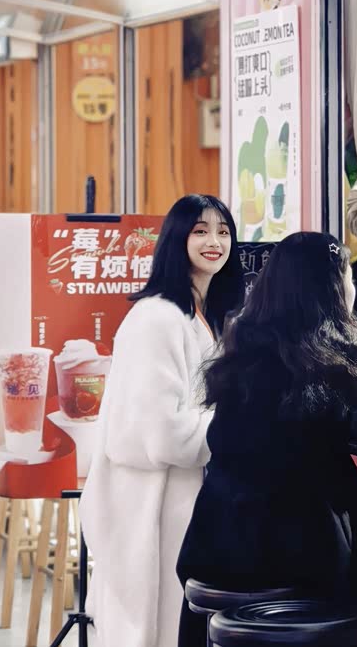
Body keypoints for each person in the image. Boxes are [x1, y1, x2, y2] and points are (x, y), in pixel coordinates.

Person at [177, 231, 357, 647]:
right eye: (348, 278)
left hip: (216, 548)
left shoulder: (240, 355)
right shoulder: (336, 364)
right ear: (335, 290)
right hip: (300, 559)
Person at [79, 194, 245, 647]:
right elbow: (163, 434)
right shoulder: (157, 318)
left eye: (223, 231)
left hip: (179, 495)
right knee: (155, 626)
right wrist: (234, 419)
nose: (214, 242)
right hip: (150, 501)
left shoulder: (202, 316)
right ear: (177, 239)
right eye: (200, 231)